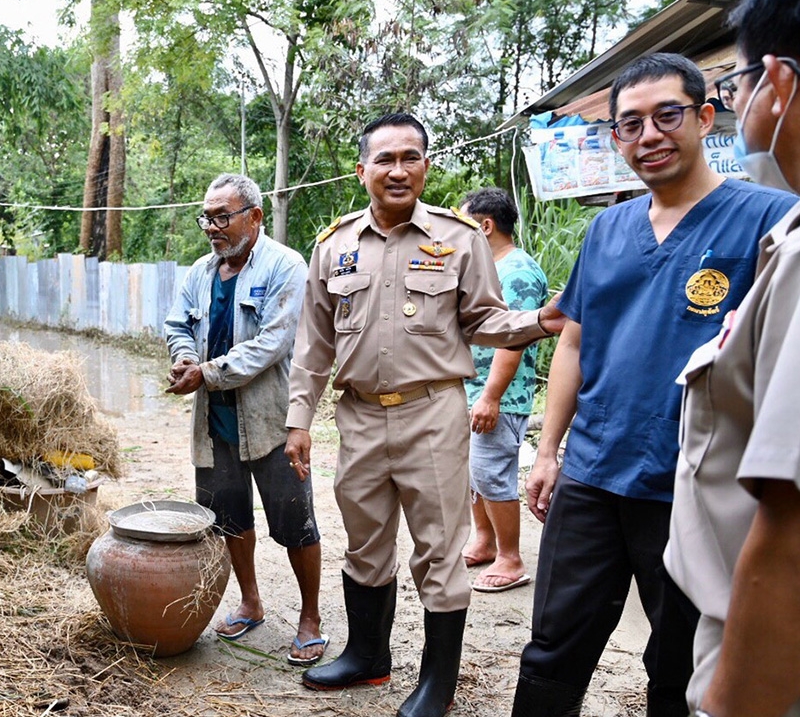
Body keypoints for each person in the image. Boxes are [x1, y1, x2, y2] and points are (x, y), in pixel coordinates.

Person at [511, 52, 799, 716]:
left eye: (668, 115)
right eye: (629, 124)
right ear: (615, 138)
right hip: (592, 473)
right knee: (554, 644)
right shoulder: (608, 227)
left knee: (677, 661)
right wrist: (550, 450)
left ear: (704, 117)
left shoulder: (769, 219)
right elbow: (575, 339)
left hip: (692, 483)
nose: (648, 136)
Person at [284, 113, 564, 717]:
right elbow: (313, 343)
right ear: (362, 171)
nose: (397, 169)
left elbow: (485, 321)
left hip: (433, 414)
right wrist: (299, 419)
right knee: (364, 542)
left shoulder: (459, 238)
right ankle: (367, 656)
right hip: (357, 417)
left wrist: (540, 320)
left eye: (410, 157)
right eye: (384, 159)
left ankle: (437, 683)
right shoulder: (334, 246)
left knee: (440, 550)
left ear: (426, 166)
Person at [665, 0, 800, 715]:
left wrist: (734, 701)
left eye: (735, 84)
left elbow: (789, 526)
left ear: (775, 82)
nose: (738, 101)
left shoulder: (783, 237)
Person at [162, 173, 326, 667]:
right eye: (206, 218)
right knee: (228, 519)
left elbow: (274, 343)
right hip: (215, 425)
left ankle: (310, 618)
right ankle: (251, 602)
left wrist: (206, 373)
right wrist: (185, 356)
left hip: (273, 420)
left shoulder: (286, 266)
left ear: (254, 217)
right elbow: (177, 324)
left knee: (295, 522)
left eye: (222, 217)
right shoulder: (200, 271)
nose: (212, 227)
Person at [458, 188, 547, 593]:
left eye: (465, 224)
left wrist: (491, 396)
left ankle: (510, 558)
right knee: (474, 473)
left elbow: (515, 337)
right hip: (471, 390)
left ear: (486, 225)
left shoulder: (519, 272)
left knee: (493, 475)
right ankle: (485, 539)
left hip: (499, 396)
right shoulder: (489, 268)